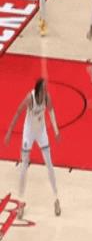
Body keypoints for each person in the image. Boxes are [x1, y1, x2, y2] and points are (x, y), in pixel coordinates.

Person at [4, 78, 61, 219]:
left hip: (41, 132)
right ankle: (20, 203)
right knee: (24, 167)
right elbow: (18, 112)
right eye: (44, 88)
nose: (46, 90)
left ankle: (56, 199)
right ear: (39, 89)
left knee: (50, 165)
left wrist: (56, 131)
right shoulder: (30, 98)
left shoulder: (47, 97)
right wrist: (9, 132)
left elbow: (51, 112)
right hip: (28, 133)